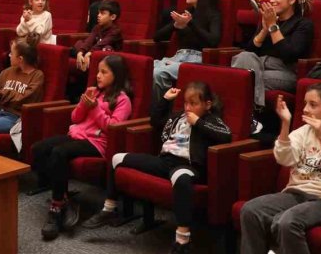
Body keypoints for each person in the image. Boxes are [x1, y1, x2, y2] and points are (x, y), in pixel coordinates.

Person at [85, 82, 231, 254]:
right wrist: (165, 99)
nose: (188, 107)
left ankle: (183, 240)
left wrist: (198, 122)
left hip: (186, 165)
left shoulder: (210, 120)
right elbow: (155, 120)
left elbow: (226, 136)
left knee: (181, 179)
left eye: (194, 103)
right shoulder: (178, 117)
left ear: (207, 105)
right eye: (185, 103)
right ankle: (109, 209)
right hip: (164, 161)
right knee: (116, 159)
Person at [240, 85, 321, 254]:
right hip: (296, 194)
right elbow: (284, 159)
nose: (305, 109)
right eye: (305, 103)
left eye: (313, 105)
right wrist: (285, 123)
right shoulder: (304, 132)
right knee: (250, 210)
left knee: (287, 221)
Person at [33, 54, 133, 240]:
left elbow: (113, 128)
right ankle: (64, 199)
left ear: (117, 75)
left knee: (58, 152)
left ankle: (56, 207)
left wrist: (94, 108)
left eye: (104, 72)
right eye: (98, 72)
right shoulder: (94, 91)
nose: (98, 75)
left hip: (98, 143)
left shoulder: (122, 100)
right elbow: (75, 118)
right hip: (77, 135)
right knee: (39, 149)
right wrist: (84, 103)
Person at [231, 0, 314, 131]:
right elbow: (249, 51)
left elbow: (289, 54)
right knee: (244, 59)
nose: (272, 0)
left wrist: (273, 27)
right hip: (259, 65)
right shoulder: (268, 19)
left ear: (292, 0)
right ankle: (252, 116)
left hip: (285, 72)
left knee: (245, 77)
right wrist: (264, 29)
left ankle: (250, 114)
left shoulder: (303, 24)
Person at [153, 0, 222, 95]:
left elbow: (213, 41)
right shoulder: (187, 12)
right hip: (177, 56)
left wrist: (191, 23)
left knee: (158, 73)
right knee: (148, 67)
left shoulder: (213, 15)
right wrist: (174, 26)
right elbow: (156, 37)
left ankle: (160, 108)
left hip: (196, 60)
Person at [73, 0, 124, 72]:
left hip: (109, 56)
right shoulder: (97, 27)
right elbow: (89, 40)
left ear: (112, 17)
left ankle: (86, 60)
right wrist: (80, 52)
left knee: (106, 48)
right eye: (98, 13)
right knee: (79, 43)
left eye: (102, 13)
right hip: (95, 51)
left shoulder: (116, 31)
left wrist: (90, 53)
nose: (98, 15)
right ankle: (83, 59)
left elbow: (102, 43)